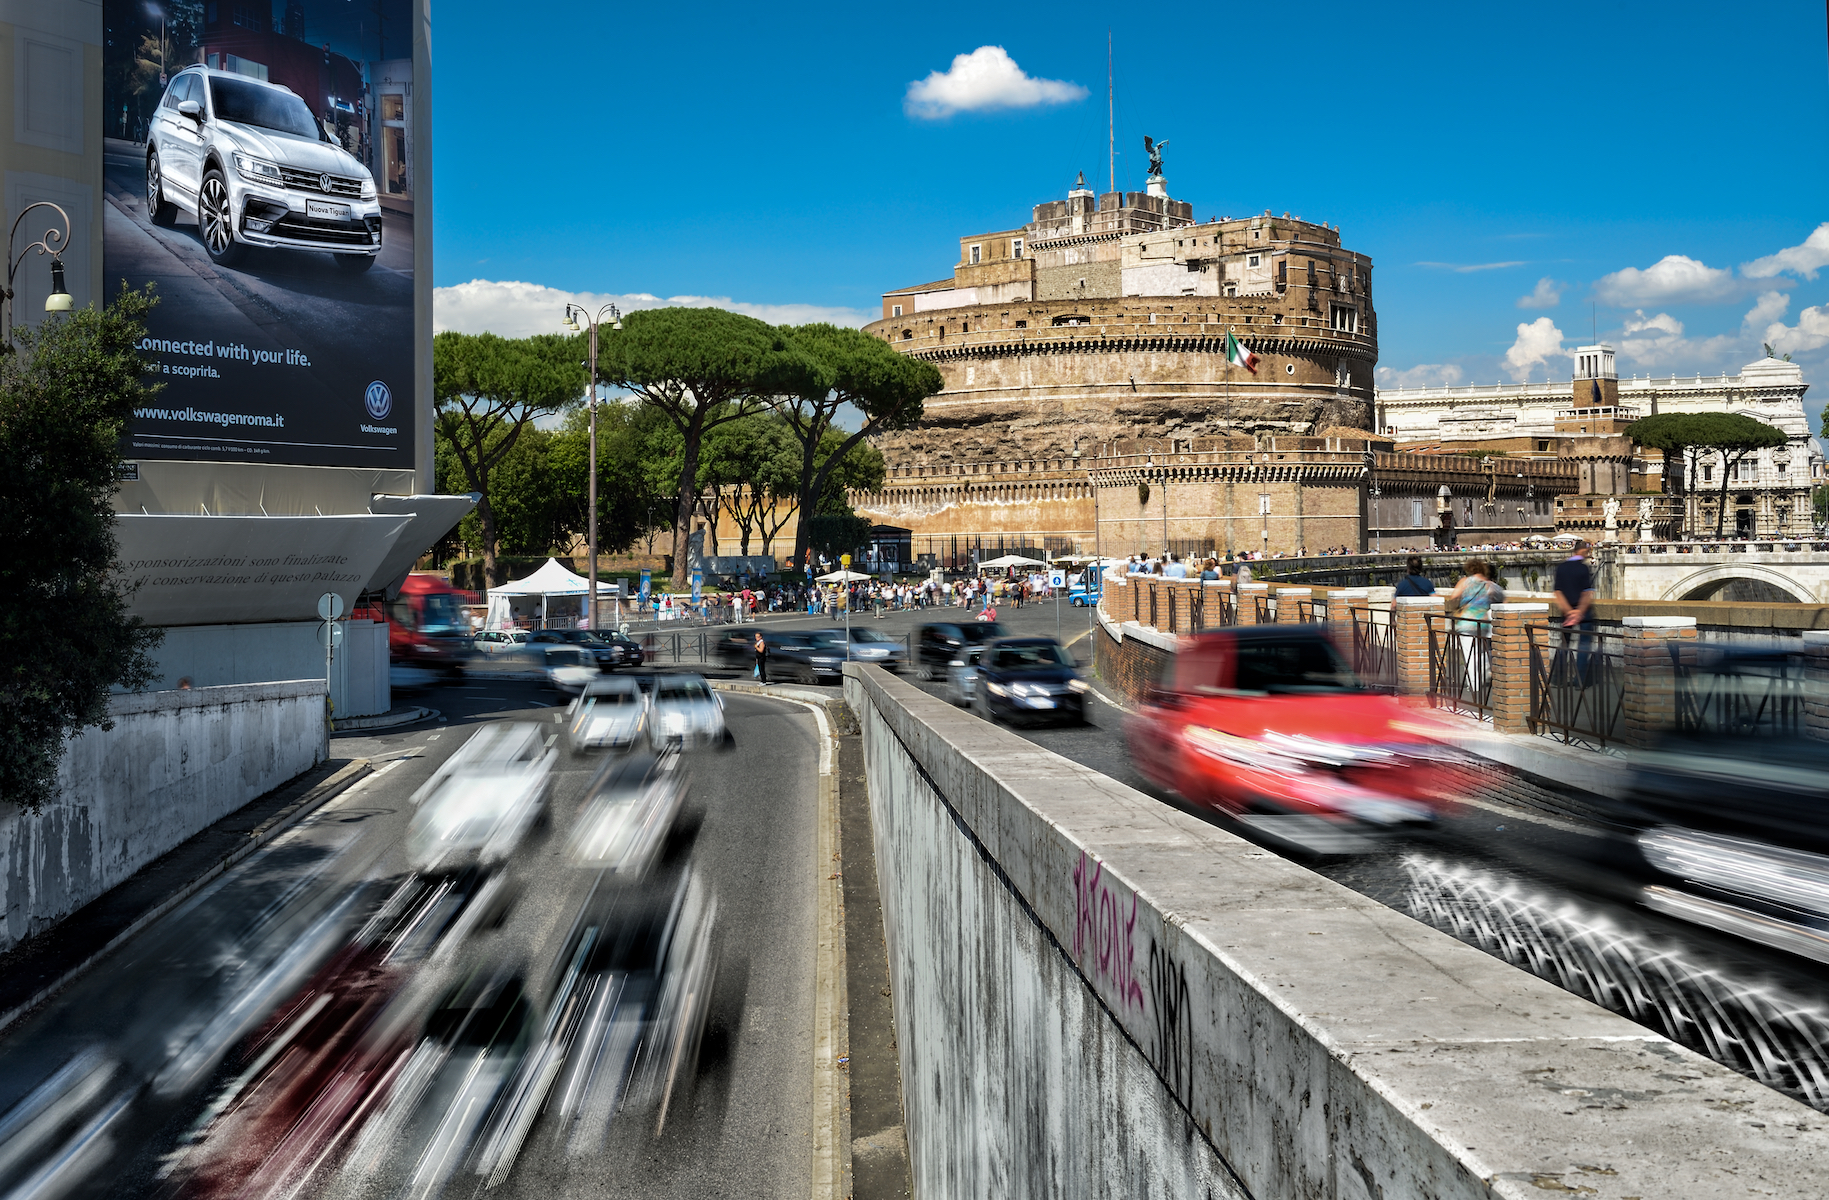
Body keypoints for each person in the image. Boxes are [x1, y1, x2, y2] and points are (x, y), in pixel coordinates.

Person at [1551, 540, 1596, 684]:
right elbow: (1587, 593)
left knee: (1564, 644)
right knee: (1583, 645)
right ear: (1583, 552)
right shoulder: (1583, 569)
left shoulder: (1561, 568)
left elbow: (1558, 592)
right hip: (1583, 613)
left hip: (1567, 612)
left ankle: (1558, 678)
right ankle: (1579, 680)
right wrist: (1579, 612)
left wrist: (1569, 612)